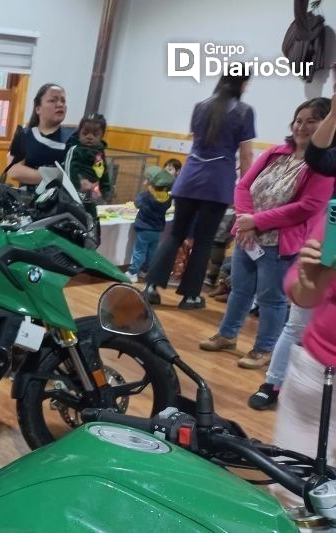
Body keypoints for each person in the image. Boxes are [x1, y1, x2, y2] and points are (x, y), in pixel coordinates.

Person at [199, 97, 333, 369]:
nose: (302, 127)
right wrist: (244, 221)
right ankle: (227, 335)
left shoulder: (324, 165)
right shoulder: (275, 152)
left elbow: (309, 206)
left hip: (279, 242)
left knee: (271, 299)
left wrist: (256, 221)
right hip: (248, 237)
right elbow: (243, 186)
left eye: (311, 121)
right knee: (239, 289)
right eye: (298, 120)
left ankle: (263, 349)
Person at [143, 73, 256, 309]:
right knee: (204, 240)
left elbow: (198, 142)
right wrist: (246, 189)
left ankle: (151, 286)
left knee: (175, 233)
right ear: (243, 84)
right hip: (217, 181)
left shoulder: (200, 107)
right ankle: (191, 296)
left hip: (189, 177)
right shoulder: (244, 112)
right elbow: (246, 155)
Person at [270, 222, 336, 507]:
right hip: (315, 375)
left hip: (314, 374)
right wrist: (310, 281)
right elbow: (305, 293)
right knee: (290, 496)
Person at [5, 83, 70, 191]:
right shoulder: (23, 135)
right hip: (28, 199)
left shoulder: (73, 137)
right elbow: (14, 171)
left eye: (63, 101)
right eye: (52, 100)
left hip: (63, 201)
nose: (60, 104)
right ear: (38, 108)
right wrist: (57, 177)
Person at [126, 166, 175, 283]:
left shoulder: (146, 195)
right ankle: (146, 271)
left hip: (144, 229)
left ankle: (133, 272)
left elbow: (137, 204)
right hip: (157, 230)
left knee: (139, 251)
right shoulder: (167, 197)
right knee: (152, 252)